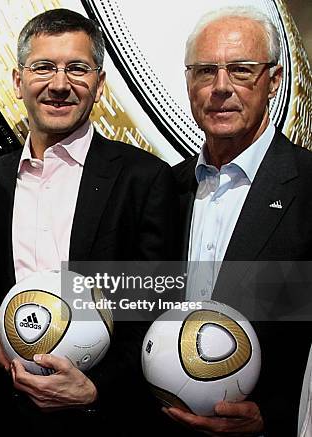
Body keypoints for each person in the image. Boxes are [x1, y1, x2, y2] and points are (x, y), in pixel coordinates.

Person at [0, 8, 178, 435]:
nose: (59, 85)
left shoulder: (145, 180)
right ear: (18, 81)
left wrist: (95, 389)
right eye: (43, 67)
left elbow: (157, 310)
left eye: (77, 68)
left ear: (99, 85)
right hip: (4, 415)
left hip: (106, 417)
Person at [170, 6, 312, 435]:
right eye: (204, 71)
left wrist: (272, 416)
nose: (221, 88)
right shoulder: (164, 187)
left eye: (241, 70)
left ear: (274, 80)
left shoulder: (307, 187)